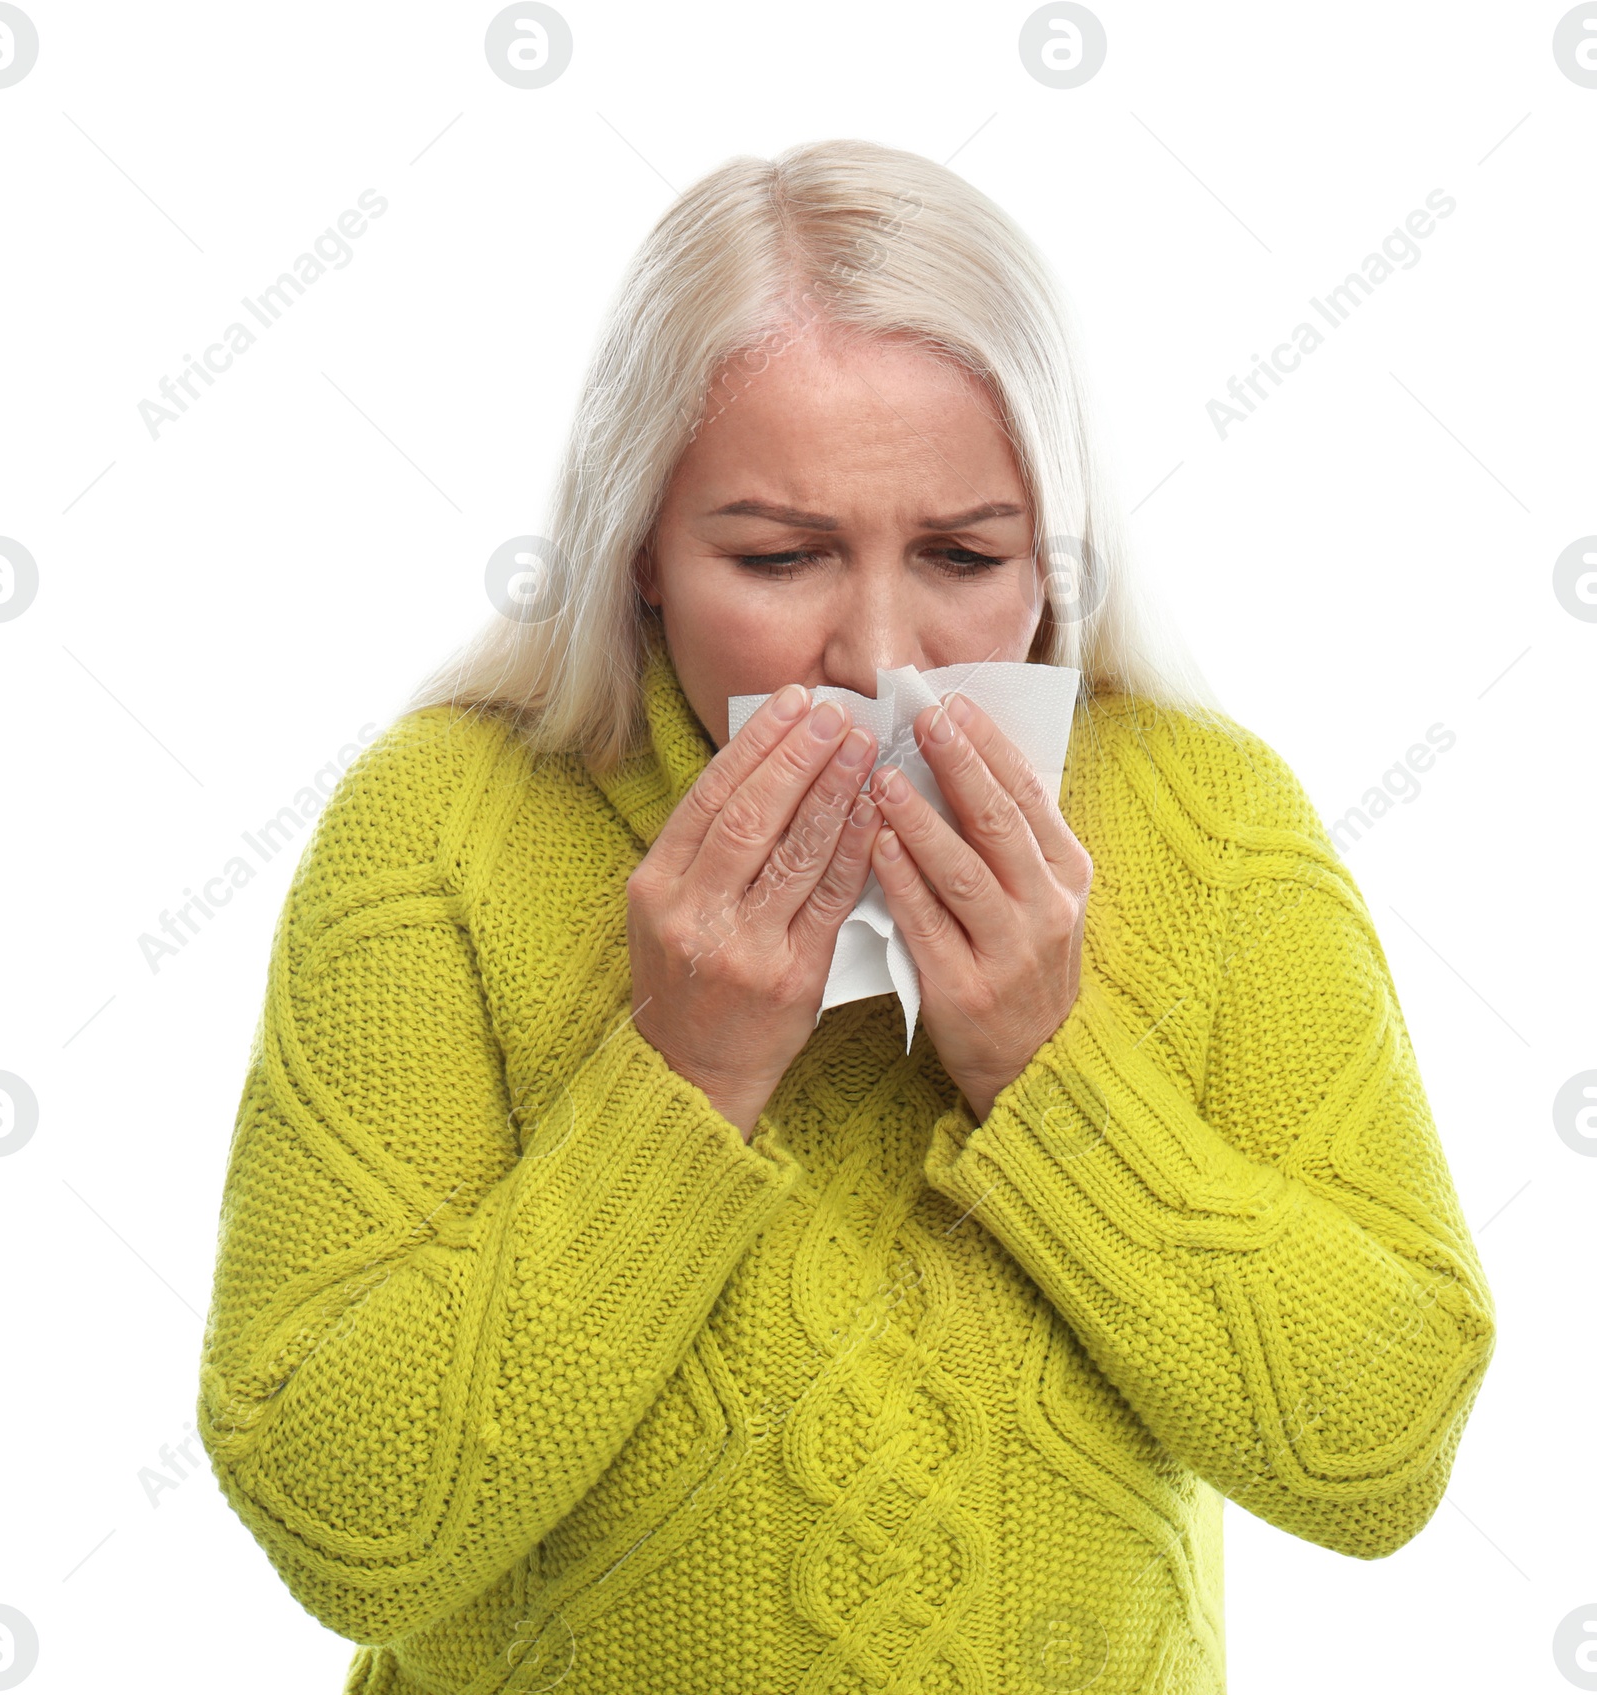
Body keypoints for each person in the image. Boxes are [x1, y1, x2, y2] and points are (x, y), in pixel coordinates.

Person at [196, 139, 1496, 1695]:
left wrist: (1052, 1073)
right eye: (778, 555)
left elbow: (1377, 1464)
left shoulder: (1213, 826)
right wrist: (678, 1085)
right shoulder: (438, 833)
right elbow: (343, 1528)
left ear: (1056, 558)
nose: (878, 655)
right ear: (639, 559)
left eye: (963, 554)